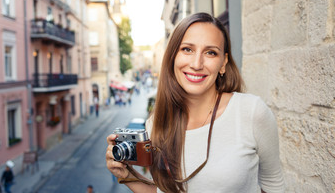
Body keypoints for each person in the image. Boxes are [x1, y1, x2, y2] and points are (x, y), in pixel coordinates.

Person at [106, 12, 284, 193]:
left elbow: (273, 186)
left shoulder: (250, 112)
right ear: (173, 56)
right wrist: (125, 175)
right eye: (187, 49)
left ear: (223, 63)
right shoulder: (156, 123)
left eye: (211, 52)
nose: (197, 64)